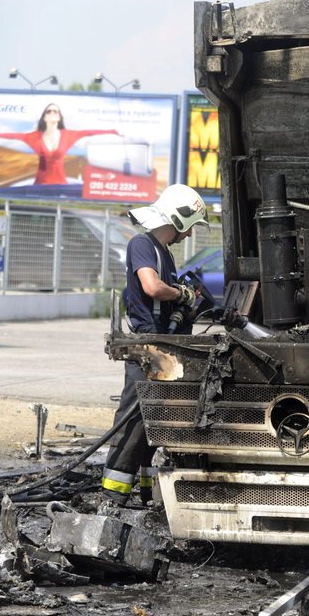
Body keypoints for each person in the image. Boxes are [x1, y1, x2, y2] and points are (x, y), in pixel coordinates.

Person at [100, 184, 210, 504]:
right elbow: (151, 287)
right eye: (189, 228)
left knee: (156, 418)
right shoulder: (142, 244)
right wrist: (180, 293)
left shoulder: (166, 254)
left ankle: (148, 491)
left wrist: (184, 301)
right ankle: (111, 494)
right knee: (134, 419)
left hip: (161, 345)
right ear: (179, 218)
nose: (188, 235)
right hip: (146, 347)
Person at [0, 103, 119, 186]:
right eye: (49, 111)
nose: (52, 113)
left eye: (55, 111)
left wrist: (112, 131)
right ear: (44, 117)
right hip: (40, 183)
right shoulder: (34, 137)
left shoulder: (68, 135)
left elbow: (89, 132)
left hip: (61, 183)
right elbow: (13, 135)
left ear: (60, 117)